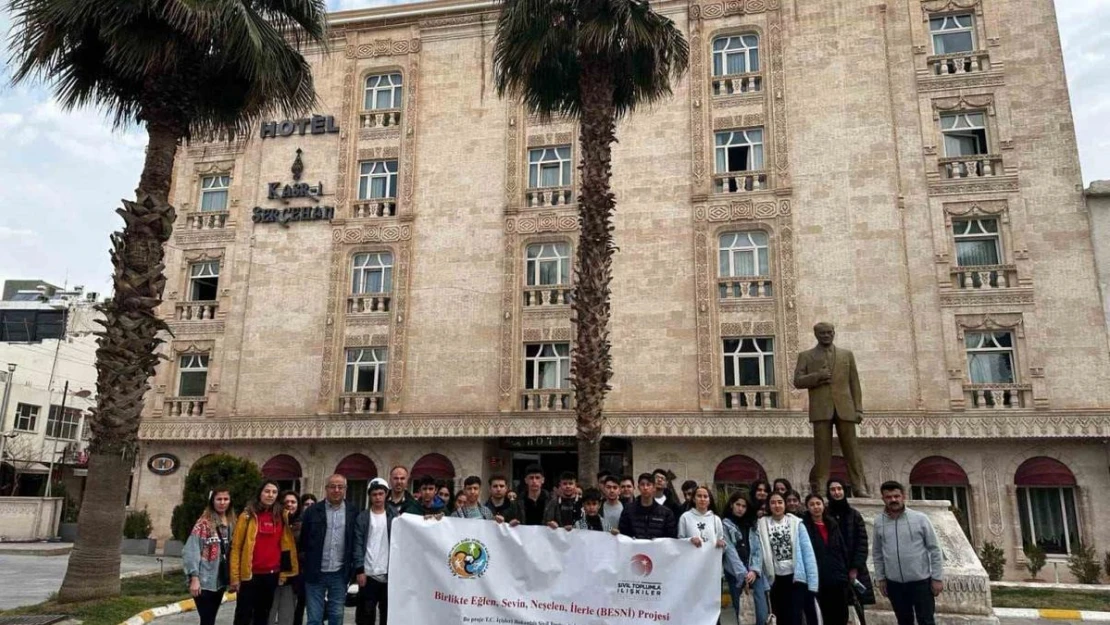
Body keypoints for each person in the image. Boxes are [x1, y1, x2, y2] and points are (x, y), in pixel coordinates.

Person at [793, 322, 871, 497]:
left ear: (834, 333)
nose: (826, 335)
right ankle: (820, 488)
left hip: (845, 408)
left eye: (829, 332)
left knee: (852, 449)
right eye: (822, 333)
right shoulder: (806, 356)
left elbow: (854, 383)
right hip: (821, 409)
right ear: (816, 335)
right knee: (821, 451)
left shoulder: (846, 355)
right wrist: (817, 377)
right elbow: (797, 381)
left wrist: (858, 409)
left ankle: (859, 486)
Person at [873, 481, 943, 625]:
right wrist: (881, 578)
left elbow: (935, 549)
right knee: (904, 621)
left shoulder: (920, 519)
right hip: (894, 584)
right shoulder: (879, 522)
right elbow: (877, 552)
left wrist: (937, 577)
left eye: (896, 496)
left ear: (903, 496)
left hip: (921, 582)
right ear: (883, 499)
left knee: (926, 621)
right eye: (888, 497)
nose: (893, 500)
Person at [230, 481, 298, 625]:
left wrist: (284, 573)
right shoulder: (247, 516)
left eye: (274, 492)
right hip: (249, 575)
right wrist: (235, 577)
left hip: (272, 575)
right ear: (260, 493)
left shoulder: (282, 516)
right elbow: (236, 547)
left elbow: (286, 546)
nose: (270, 495)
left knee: (263, 615)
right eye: (267, 491)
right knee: (243, 615)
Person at [299, 474, 359, 625]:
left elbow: (354, 541)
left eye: (340, 487)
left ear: (346, 489)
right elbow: (303, 541)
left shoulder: (353, 512)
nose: (336, 490)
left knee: (336, 616)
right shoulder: (312, 511)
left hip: (339, 573)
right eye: (332, 486)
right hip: (315, 572)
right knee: (314, 618)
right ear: (326, 489)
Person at [756, 492, 818, 625]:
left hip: (796, 578)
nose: (776, 505)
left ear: (784, 504)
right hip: (775, 579)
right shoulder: (761, 524)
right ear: (768, 505)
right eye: (773, 502)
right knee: (780, 617)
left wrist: (813, 583)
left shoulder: (796, 523)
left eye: (780, 502)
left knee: (795, 617)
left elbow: (808, 553)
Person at [184, 487, 234, 625]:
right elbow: (191, 551)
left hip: (220, 580)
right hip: (204, 580)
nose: (222, 502)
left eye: (226, 499)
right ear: (212, 501)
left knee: (210, 618)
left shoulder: (230, 523)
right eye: (219, 499)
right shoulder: (203, 524)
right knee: (207, 619)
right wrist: (194, 578)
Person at [803, 494, 850, 625]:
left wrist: (844, 572)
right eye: (812, 505)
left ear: (823, 505)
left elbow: (842, 549)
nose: (816, 507)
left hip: (838, 577)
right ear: (807, 508)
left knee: (841, 615)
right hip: (818, 578)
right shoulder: (804, 526)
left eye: (818, 503)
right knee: (823, 616)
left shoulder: (832, 524)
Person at [826, 479, 875, 606]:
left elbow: (862, 543)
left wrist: (855, 567)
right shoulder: (825, 515)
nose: (836, 492)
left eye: (839, 489)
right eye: (833, 489)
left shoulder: (854, 515)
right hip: (833, 570)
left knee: (856, 607)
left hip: (854, 570)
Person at [722, 492, 768, 625]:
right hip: (736, 575)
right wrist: (742, 574)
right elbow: (730, 551)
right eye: (738, 505)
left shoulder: (752, 524)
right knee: (744, 614)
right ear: (732, 505)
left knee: (762, 613)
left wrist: (754, 570)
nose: (740, 508)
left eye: (744, 506)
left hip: (755, 573)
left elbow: (757, 549)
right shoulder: (725, 524)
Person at [353, 479, 394, 625]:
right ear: (370, 496)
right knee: (365, 615)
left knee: (387, 615)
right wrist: (359, 569)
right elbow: (357, 544)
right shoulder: (363, 517)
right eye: (374, 494)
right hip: (368, 573)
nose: (378, 497)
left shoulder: (394, 517)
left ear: (386, 494)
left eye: (381, 494)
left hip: (389, 574)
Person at [679, 486, 741, 581]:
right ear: (694, 499)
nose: (702, 499)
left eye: (705, 496)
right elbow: (679, 542)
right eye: (699, 496)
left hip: (712, 569)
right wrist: (690, 540)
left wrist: (722, 544)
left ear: (709, 500)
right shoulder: (685, 517)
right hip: (691, 569)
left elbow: (723, 546)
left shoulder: (716, 519)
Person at [269, 491, 302, 625]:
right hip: (273, 573)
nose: (289, 504)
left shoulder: (303, 524)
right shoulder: (274, 521)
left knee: (287, 616)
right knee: (269, 614)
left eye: (293, 502)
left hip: (292, 576)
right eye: (286, 502)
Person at [618, 473, 678, 539]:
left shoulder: (666, 513)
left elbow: (671, 538)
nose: (645, 488)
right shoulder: (628, 510)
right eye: (642, 485)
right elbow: (622, 536)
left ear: (654, 488)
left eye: (648, 485)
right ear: (638, 487)